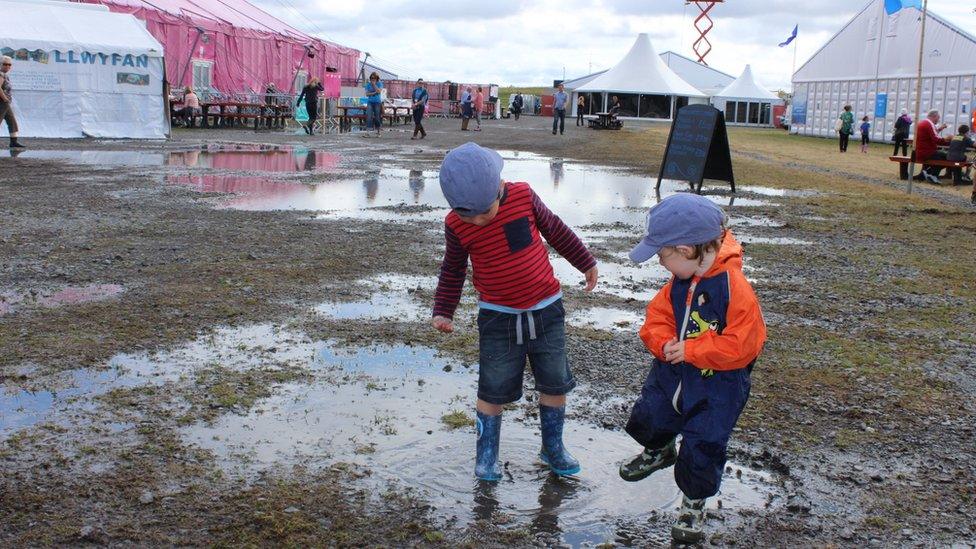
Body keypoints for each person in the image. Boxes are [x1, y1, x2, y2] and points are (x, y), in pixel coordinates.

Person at [431, 142, 599, 482]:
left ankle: (552, 447)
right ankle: (487, 456)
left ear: (500, 187)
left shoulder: (523, 196)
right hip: (497, 318)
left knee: (554, 382)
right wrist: (444, 310)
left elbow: (555, 229)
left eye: (484, 211)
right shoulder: (456, 224)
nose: (477, 220)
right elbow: (453, 268)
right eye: (468, 214)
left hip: (547, 310)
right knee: (492, 388)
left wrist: (585, 261)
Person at [619, 194, 765, 544]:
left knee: (704, 443)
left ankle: (693, 502)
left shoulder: (735, 289)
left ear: (685, 250)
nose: (660, 264)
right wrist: (662, 342)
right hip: (672, 374)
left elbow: (744, 346)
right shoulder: (678, 282)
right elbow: (656, 319)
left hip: (718, 387)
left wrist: (694, 349)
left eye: (662, 256)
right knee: (652, 414)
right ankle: (659, 450)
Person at [915, 109, 950, 184]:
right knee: (948, 157)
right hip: (927, 152)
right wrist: (948, 140)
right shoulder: (929, 124)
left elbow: (931, 134)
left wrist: (940, 128)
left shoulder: (923, 122)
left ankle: (926, 173)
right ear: (934, 116)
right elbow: (936, 139)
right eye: (938, 117)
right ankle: (932, 174)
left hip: (920, 151)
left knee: (942, 155)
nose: (939, 119)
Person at [0, 55, 25, 149]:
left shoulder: (5, 75)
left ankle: (13, 142)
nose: (7, 66)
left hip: (6, 103)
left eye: (9, 65)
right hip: (2, 102)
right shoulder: (1, 74)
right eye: (5, 64)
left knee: (11, 121)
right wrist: (5, 99)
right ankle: (13, 142)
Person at [364, 72, 384, 137]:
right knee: (369, 116)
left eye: (374, 78)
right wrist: (374, 93)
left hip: (377, 102)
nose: (373, 79)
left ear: (377, 78)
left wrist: (374, 85)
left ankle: (378, 132)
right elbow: (367, 94)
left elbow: (379, 91)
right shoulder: (368, 84)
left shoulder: (379, 83)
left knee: (377, 117)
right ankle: (368, 132)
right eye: (372, 78)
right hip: (370, 102)